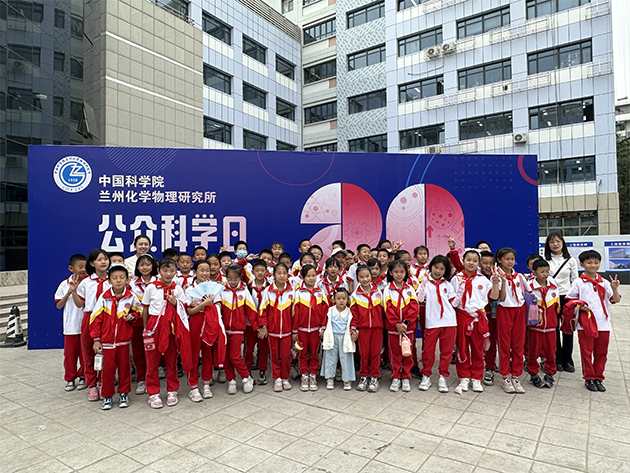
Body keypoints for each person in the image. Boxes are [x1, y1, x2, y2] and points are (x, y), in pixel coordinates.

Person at [565, 250, 621, 392]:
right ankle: (589, 378)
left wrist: (614, 289)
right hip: (586, 323)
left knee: (601, 352)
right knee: (586, 352)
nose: (593, 265)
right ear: (582, 264)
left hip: (603, 323)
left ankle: (598, 377)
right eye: (589, 262)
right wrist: (580, 306)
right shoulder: (578, 282)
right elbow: (570, 300)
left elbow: (615, 300)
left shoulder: (605, 282)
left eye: (596, 262)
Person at [141, 258, 193, 408]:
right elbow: (145, 309)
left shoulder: (178, 289)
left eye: (171, 271)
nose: (168, 274)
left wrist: (175, 302)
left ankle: (172, 390)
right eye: (165, 270)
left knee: (171, 360)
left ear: (176, 272)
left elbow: (184, 309)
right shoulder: (151, 287)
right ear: (158, 271)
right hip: (154, 326)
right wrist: (146, 329)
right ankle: (153, 393)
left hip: (171, 327)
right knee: (152, 361)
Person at [91, 265, 142, 410]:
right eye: (114, 278)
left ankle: (123, 394)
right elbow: (95, 319)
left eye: (121, 277)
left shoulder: (132, 297)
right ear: (109, 281)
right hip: (106, 342)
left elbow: (139, 312)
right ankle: (107, 395)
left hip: (123, 341)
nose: (118, 280)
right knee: (107, 370)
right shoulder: (103, 298)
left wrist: (132, 316)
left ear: (127, 280)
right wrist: (96, 339)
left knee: (125, 368)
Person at [451, 251, 500, 393]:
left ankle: (477, 377)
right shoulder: (456, 279)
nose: (471, 263)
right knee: (462, 348)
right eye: (468, 260)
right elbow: (452, 301)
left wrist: (495, 283)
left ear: (478, 263)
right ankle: (464, 377)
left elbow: (494, 296)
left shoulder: (483, 280)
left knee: (478, 350)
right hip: (462, 317)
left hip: (478, 319)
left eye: (474, 260)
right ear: (463, 261)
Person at [72, 249, 111, 402]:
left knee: (105, 353)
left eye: (105, 259)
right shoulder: (86, 283)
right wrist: (73, 292)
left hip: (107, 318)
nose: (103, 262)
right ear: (92, 263)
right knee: (88, 353)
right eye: (99, 259)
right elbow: (79, 304)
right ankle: (92, 384)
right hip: (90, 318)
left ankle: (103, 382)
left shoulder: (112, 280)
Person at [416, 255, 459, 393]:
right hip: (432, 321)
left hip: (449, 321)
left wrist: (461, 292)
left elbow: (454, 303)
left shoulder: (447, 285)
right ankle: (426, 375)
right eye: (436, 267)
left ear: (445, 271)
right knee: (428, 350)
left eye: (442, 268)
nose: (438, 271)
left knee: (446, 351)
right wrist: (423, 284)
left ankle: (443, 377)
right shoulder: (426, 283)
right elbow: (419, 299)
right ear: (431, 267)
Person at [186, 259, 226, 402]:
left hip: (210, 322)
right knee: (194, 355)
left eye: (207, 270)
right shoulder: (189, 289)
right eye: (201, 270)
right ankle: (193, 387)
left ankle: (206, 384)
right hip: (196, 322)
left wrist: (206, 306)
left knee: (208, 353)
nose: (205, 273)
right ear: (195, 272)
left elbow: (219, 306)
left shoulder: (215, 287)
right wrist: (202, 305)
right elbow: (189, 311)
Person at [217, 265, 259, 395]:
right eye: (230, 279)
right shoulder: (221, 291)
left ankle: (246, 377)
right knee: (225, 357)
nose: (232, 282)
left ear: (240, 278)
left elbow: (251, 311)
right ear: (226, 277)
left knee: (234, 356)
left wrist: (257, 327)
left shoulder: (244, 291)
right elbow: (216, 310)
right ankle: (231, 380)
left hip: (238, 330)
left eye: (235, 279)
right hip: (224, 330)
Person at [496, 247, 529, 394]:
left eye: (512, 259)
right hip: (505, 310)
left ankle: (516, 376)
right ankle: (505, 377)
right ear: (499, 260)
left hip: (520, 310)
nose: (510, 262)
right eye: (507, 259)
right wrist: (503, 282)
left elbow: (528, 293)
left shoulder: (519, 277)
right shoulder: (496, 276)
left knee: (518, 344)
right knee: (504, 345)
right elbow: (501, 298)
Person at [544, 232, 579, 373]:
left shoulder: (570, 260)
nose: (555, 244)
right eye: (552, 242)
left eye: (558, 241)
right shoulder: (545, 260)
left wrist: (575, 300)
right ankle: (557, 358)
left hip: (567, 298)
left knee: (567, 329)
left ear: (563, 243)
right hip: (551, 298)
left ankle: (568, 359)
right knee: (554, 329)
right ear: (548, 245)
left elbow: (575, 281)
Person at [383, 260, 419, 392]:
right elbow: (387, 308)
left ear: (406, 273)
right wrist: (396, 323)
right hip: (393, 328)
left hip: (407, 328)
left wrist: (405, 323)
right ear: (390, 273)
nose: (399, 274)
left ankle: (406, 376)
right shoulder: (387, 289)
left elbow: (414, 307)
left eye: (402, 272)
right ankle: (396, 376)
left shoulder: (410, 289)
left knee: (407, 353)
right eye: (396, 272)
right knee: (395, 354)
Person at [292, 264, 329, 391]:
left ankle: (313, 375)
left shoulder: (320, 292)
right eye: (308, 276)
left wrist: (323, 327)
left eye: (314, 275)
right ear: (303, 277)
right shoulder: (298, 293)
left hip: (315, 330)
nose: (311, 278)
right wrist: (295, 330)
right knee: (302, 353)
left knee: (314, 353)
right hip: (302, 330)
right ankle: (304, 375)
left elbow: (325, 311)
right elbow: (295, 313)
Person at [54, 254, 87, 391]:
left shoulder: (88, 282)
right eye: (80, 267)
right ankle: (70, 378)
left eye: (85, 267)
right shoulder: (64, 284)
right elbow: (59, 305)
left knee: (85, 354)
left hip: (85, 325)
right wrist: (69, 292)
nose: (83, 270)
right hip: (71, 326)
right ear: (71, 268)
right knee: (70, 355)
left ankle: (84, 376)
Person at [259, 263, 294, 392]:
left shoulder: (292, 292)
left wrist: (294, 330)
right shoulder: (267, 292)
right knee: (274, 355)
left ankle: (285, 377)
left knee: (286, 356)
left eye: (284, 273)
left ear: (288, 275)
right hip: (272, 331)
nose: (282, 276)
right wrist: (264, 326)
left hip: (287, 331)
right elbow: (262, 310)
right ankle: (277, 378)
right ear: (273, 275)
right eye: (279, 273)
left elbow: (295, 313)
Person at [350, 265, 383, 393]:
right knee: (364, 354)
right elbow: (354, 315)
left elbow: (383, 312)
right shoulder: (355, 296)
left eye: (367, 276)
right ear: (357, 278)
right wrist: (354, 329)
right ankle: (363, 377)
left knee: (375, 353)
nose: (365, 279)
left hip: (377, 328)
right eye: (361, 277)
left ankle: (374, 377)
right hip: (363, 329)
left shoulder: (379, 293)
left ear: (371, 276)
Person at [129, 254, 159, 395]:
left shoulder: (159, 282)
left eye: (148, 264)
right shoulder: (132, 284)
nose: (145, 267)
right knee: (139, 352)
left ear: (153, 266)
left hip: (155, 322)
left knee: (154, 352)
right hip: (137, 322)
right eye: (141, 265)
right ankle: (141, 379)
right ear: (137, 267)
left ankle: (153, 378)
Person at [527, 259, 559, 389]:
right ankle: (533, 373)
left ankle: (550, 373)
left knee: (551, 353)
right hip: (535, 327)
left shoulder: (554, 286)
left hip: (550, 327)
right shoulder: (529, 287)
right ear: (534, 273)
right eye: (541, 272)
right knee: (533, 352)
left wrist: (553, 320)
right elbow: (527, 306)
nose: (545, 274)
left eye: (547, 271)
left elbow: (557, 306)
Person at [321, 288, 357, 390]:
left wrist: (354, 332)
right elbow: (324, 321)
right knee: (330, 358)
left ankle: (347, 379)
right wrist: (322, 330)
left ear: (347, 299)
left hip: (345, 337)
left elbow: (354, 322)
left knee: (346, 358)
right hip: (332, 337)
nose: (341, 301)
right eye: (338, 298)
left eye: (344, 298)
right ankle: (329, 378)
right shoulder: (330, 310)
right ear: (333, 299)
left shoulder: (350, 312)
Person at [246, 259, 270, 385]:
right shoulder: (247, 288)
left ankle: (262, 370)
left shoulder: (270, 287)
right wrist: (255, 325)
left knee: (263, 348)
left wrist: (264, 325)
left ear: (266, 271)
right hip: (250, 324)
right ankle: (247, 371)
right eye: (257, 270)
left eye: (262, 270)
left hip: (264, 324)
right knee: (249, 348)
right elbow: (247, 308)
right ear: (252, 272)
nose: (260, 273)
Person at [479, 251, 499, 386]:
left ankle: (489, 368)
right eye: (485, 263)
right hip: (478, 315)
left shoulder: (498, 276)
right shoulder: (475, 276)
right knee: (477, 343)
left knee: (491, 342)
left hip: (494, 315)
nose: (488, 266)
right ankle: (475, 369)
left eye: (491, 263)